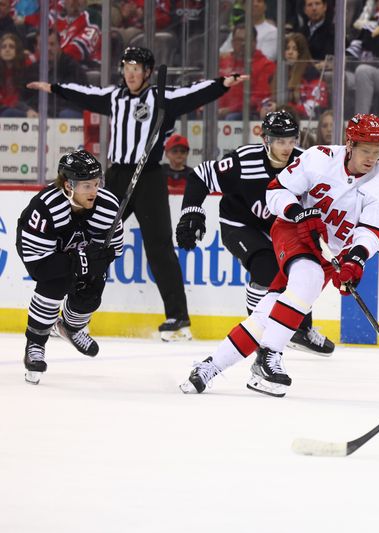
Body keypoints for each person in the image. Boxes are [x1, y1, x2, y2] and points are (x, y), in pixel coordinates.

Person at [27, 46, 248, 341]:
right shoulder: (114, 97)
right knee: (91, 240)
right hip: (117, 176)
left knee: (158, 246)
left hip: (149, 177)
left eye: (136, 68)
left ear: (147, 73)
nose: (130, 73)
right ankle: (74, 315)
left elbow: (194, 93)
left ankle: (178, 318)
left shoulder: (161, 97)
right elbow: (85, 94)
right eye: (126, 67)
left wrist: (222, 84)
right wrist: (54, 88)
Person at [179, 113, 379, 396]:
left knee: (270, 311)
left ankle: (209, 367)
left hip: (327, 253)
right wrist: (299, 212)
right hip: (293, 230)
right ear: (350, 145)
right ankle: (269, 357)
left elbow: (370, 232)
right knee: (307, 280)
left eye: (377, 151)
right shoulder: (319, 158)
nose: (372, 157)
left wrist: (354, 259)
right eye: (365, 150)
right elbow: (276, 191)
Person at [177, 110, 335, 356]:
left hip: (281, 230)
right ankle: (257, 329)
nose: (287, 148)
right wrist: (192, 212)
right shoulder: (244, 161)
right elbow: (200, 176)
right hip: (239, 225)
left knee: (304, 269)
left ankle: (301, 329)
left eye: (292, 141)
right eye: (280, 141)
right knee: (266, 267)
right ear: (266, 140)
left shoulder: (304, 163)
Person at [15, 150, 123, 385]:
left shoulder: (108, 207)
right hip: (43, 256)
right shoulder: (45, 208)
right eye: (86, 186)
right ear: (68, 185)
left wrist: (98, 259)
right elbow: (38, 267)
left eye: (96, 183)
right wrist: (79, 260)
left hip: (75, 253)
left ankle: (71, 328)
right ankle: (35, 343)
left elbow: (114, 249)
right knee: (54, 282)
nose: (94, 191)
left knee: (93, 286)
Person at [218, 23, 275, 120]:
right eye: (239, 40)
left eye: (246, 40)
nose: (243, 44)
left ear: (254, 42)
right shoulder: (223, 62)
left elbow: (258, 98)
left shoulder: (265, 65)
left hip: (246, 114)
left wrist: (229, 110)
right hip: (219, 111)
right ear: (232, 43)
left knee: (231, 117)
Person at [273, 32, 328, 120]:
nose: (290, 52)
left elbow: (314, 108)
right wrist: (265, 107)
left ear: (301, 52)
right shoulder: (278, 75)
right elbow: (265, 97)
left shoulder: (312, 75)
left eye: (294, 49)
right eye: (287, 48)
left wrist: (282, 108)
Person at [1, 32, 36, 117]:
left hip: (20, 109)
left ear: (17, 50)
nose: (7, 49)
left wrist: (28, 109)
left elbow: (27, 96)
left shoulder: (26, 70)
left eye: (11, 47)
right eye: (3, 47)